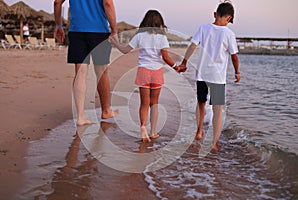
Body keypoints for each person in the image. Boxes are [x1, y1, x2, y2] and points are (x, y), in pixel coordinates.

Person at [177, 2, 240, 151]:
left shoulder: (203, 28)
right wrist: (237, 72)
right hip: (218, 78)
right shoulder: (229, 34)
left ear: (214, 14)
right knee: (217, 108)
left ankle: (199, 132)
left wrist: (184, 62)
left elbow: (192, 45)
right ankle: (214, 142)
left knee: (201, 104)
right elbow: (234, 56)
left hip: (202, 75)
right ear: (229, 17)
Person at [110, 10, 178, 142]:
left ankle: (142, 128)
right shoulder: (162, 38)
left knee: (144, 103)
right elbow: (165, 57)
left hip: (143, 71)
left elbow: (125, 51)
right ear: (159, 23)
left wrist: (116, 43)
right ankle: (153, 132)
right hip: (157, 72)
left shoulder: (139, 36)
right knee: (155, 103)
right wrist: (176, 67)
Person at [54, 0, 119, 126]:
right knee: (101, 72)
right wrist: (114, 30)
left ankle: (80, 116)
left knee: (80, 72)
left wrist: (58, 26)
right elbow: (108, 3)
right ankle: (106, 110)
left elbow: (57, 2)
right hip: (99, 31)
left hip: (77, 30)